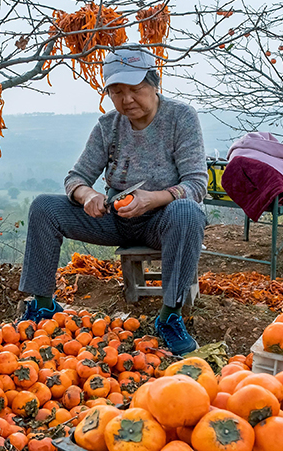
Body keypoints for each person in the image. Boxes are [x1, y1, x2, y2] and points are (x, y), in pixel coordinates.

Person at [18, 48, 208, 355]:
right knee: (44, 206)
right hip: (115, 219)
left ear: (154, 83)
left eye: (135, 90)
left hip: (163, 221)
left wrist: (153, 199)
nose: (127, 99)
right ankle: (42, 306)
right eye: (117, 92)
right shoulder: (109, 126)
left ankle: (169, 315)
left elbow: (196, 184)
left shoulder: (179, 118)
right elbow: (76, 177)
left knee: (188, 211)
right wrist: (88, 195)